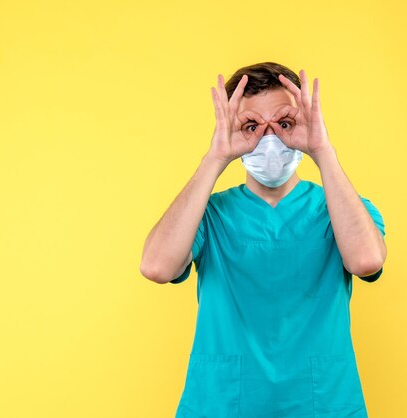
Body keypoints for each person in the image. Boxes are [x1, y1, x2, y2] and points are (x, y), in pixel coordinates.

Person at [140, 61, 387, 418]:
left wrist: (323, 152)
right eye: (251, 126)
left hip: (322, 406)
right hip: (221, 405)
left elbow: (366, 260)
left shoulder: (344, 210)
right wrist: (215, 158)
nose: (269, 139)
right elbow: (156, 266)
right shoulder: (210, 215)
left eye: (284, 124)